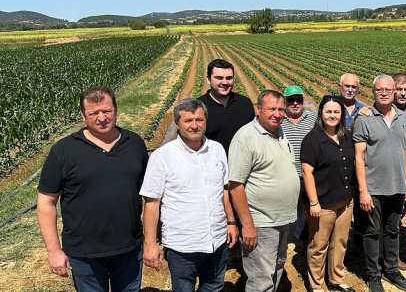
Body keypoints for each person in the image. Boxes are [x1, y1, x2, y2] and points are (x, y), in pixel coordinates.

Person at [37, 86, 148, 292]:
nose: (101, 118)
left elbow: (150, 196)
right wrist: (54, 252)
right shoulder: (63, 150)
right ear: (83, 115)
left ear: (116, 110)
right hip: (84, 253)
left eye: (106, 111)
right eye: (93, 113)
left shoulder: (134, 143)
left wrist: (151, 239)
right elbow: (46, 202)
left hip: (129, 247)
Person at [140, 98, 238, 292]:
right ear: (177, 123)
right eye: (188, 120)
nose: (195, 125)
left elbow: (224, 189)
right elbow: (151, 203)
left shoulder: (217, 150)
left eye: (199, 120)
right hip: (182, 246)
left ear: (206, 121)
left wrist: (231, 222)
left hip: (216, 241)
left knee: (214, 287)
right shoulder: (162, 156)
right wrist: (150, 244)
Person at [228, 90, 299, 292]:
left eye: (280, 109)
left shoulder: (280, 131)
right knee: (261, 279)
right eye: (271, 109)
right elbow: (235, 185)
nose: (277, 114)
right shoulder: (246, 138)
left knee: (276, 269)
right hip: (261, 222)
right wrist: (248, 225)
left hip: (281, 219)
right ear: (258, 110)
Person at [353, 75, 406, 292]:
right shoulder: (364, 119)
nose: (385, 93)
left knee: (392, 231)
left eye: (389, 89)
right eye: (380, 90)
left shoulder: (403, 118)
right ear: (373, 92)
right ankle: (373, 275)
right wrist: (363, 191)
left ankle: (391, 269)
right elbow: (359, 157)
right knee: (371, 233)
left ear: (396, 91)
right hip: (373, 189)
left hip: (397, 187)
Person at [300, 95, 356, 292]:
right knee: (318, 245)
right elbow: (307, 172)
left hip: (345, 201)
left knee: (340, 243)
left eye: (336, 112)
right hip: (322, 204)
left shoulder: (347, 136)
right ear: (321, 113)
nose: (332, 115)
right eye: (328, 111)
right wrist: (313, 202)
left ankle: (336, 278)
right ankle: (316, 285)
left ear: (342, 115)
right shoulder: (312, 140)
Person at [280, 86, 316, 244]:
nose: (295, 103)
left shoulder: (314, 119)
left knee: (305, 211)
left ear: (303, 100)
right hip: (284, 176)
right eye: (291, 100)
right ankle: (281, 241)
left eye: (298, 100)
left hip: (307, 176)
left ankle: (303, 242)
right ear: (285, 102)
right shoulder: (278, 119)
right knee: (282, 211)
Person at [198, 58, 256, 154]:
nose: (225, 82)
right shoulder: (198, 106)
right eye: (219, 78)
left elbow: (253, 135)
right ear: (208, 79)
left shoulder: (245, 103)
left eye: (229, 78)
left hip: (243, 165)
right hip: (212, 165)